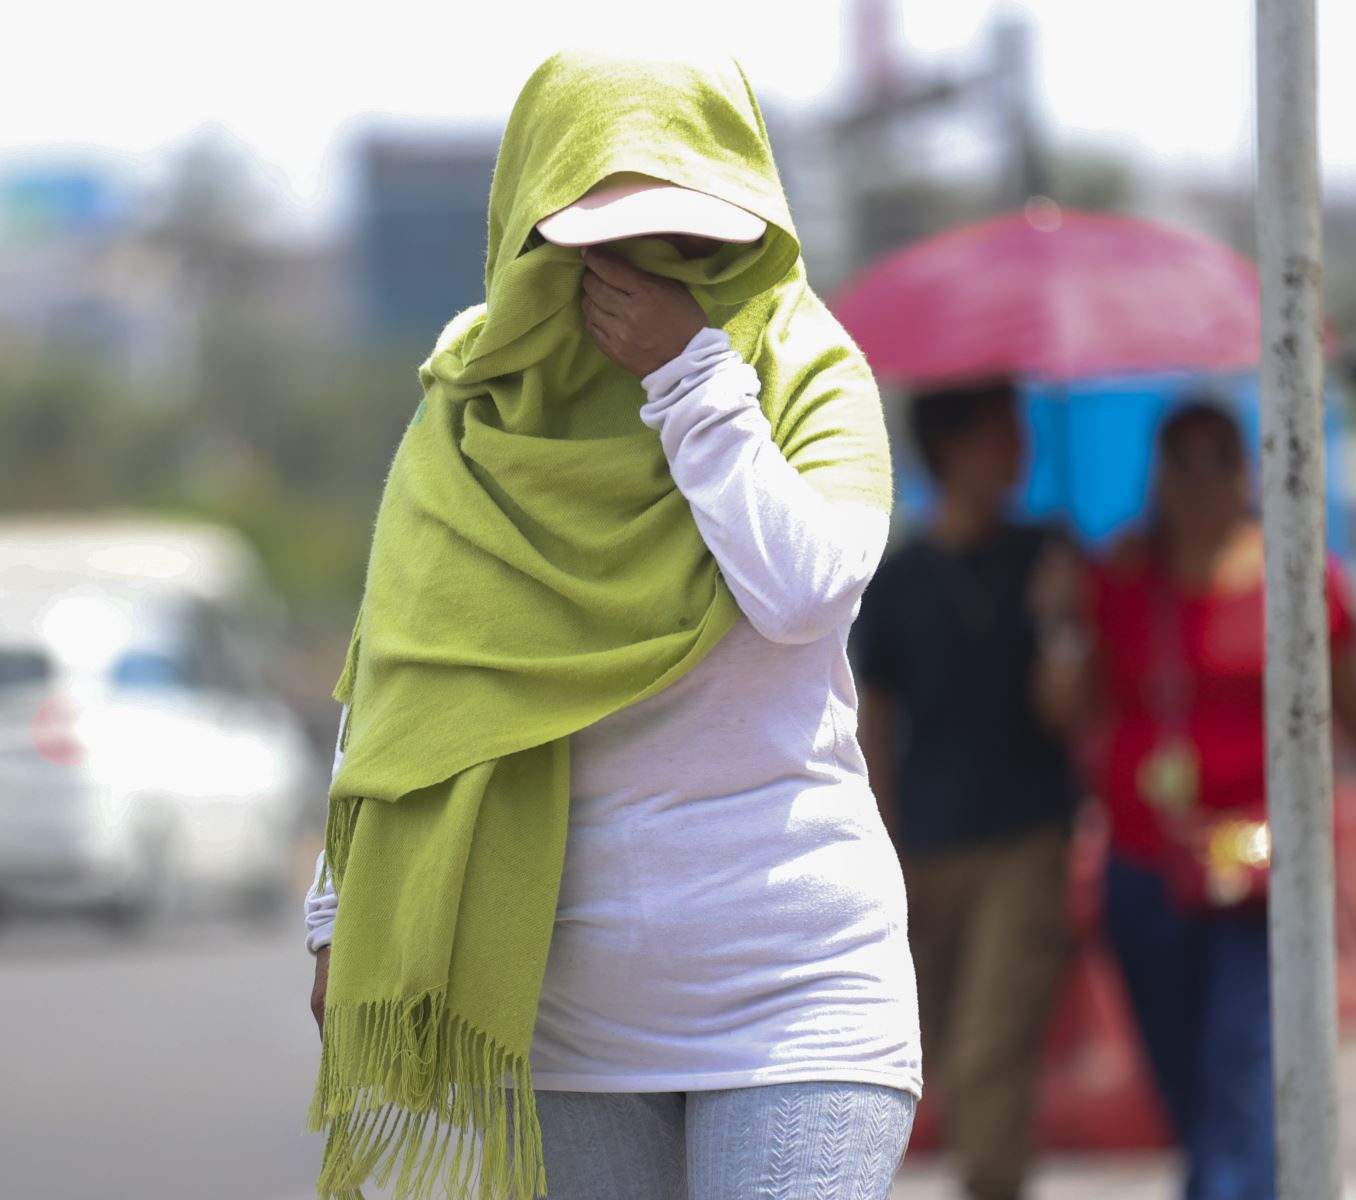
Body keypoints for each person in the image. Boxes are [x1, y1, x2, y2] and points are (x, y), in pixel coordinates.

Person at [301, 53, 919, 1200]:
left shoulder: (805, 369)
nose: (642, 272)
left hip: (799, 989)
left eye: (688, 239)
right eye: (598, 243)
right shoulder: (477, 408)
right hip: (561, 1007)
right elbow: (402, 676)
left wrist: (693, 376)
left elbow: (804, 594)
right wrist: (339, 913)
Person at [1078, 400, 1356, 1200]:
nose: (1198, 480)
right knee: (1190, 1090)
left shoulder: (1299, 578)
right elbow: (1075, 710)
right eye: (1179, 462)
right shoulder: (1120, 580)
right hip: (1146, 867)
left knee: (1242, 1068)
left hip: (1260, 872)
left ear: (1246, 468)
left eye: (1216, 457)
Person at [853, 383, 1084, 1200]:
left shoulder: (1046, 555)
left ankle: (994, 1183)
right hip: (926, 846)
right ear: (953, 447)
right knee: (948, 1050)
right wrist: (882, 845)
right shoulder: (900, 579)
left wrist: (1059, 623)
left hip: (1024, 839)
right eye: (1001, 431)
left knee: (992, 1043)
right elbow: (874, 722)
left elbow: (1070, 712)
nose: (1020, 446)